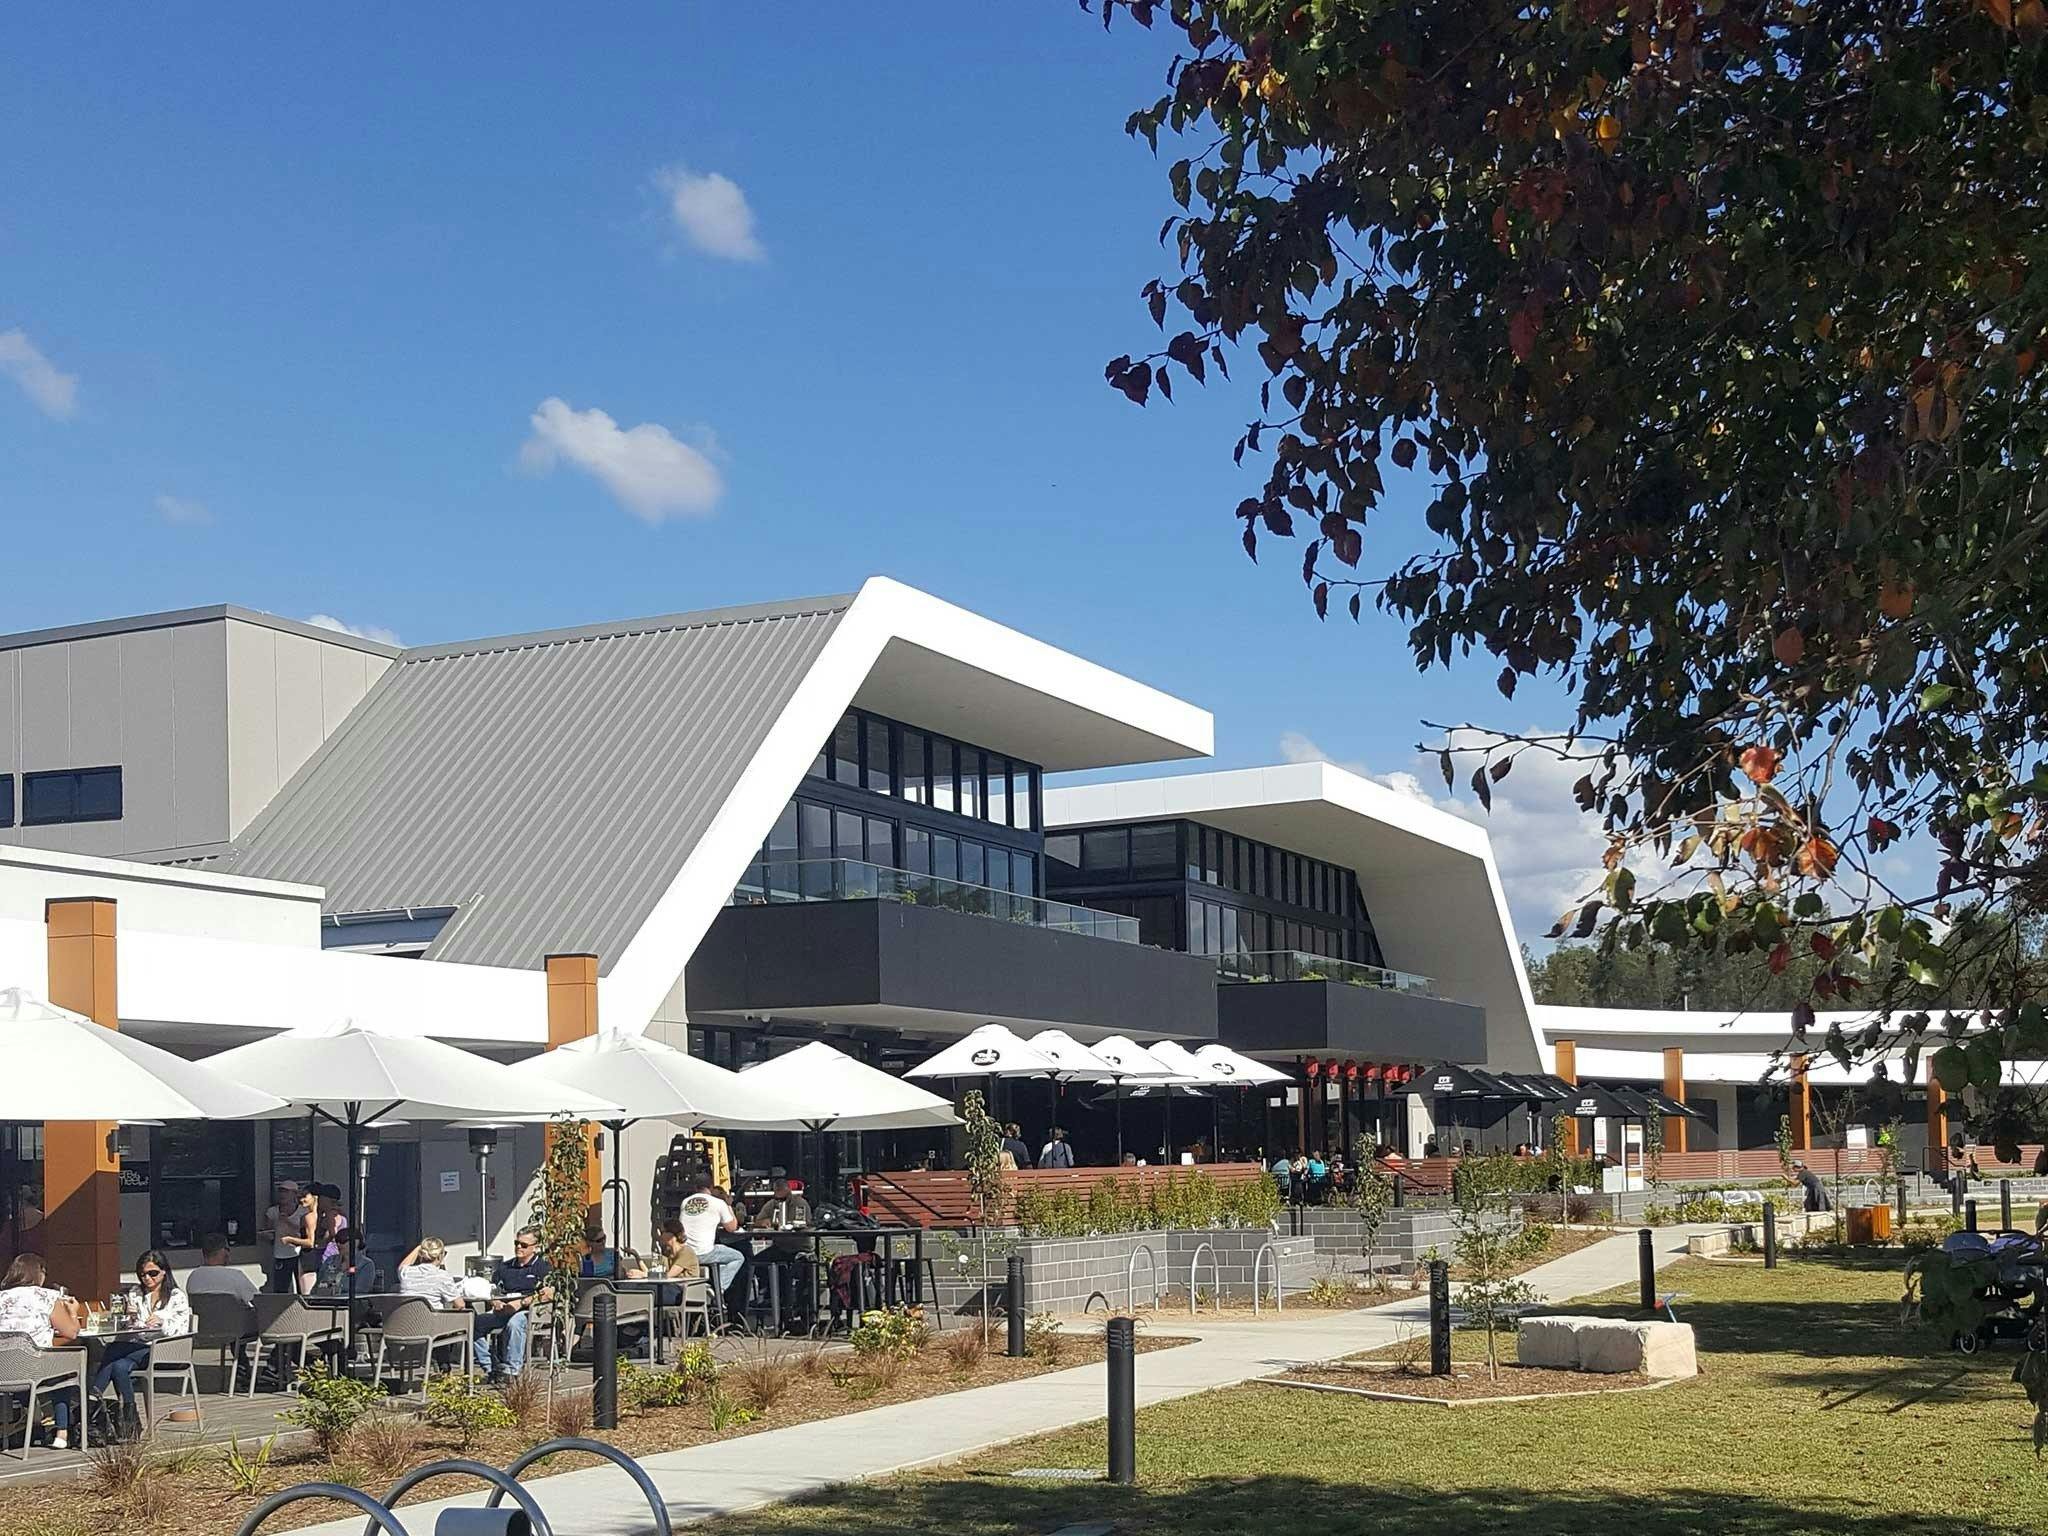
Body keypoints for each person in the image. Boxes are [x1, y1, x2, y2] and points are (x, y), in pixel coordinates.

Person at [95, 1249, 192, 1440]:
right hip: (139, 1347)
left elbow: (181, 1330)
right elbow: (133, 1331)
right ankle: (131, 1424)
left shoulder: (176, 1296)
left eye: (152, 1273)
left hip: (166, 1350)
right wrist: (129, 1318)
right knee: (119, 1365)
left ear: (164, 1272)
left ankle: (93, 1397)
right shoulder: (136, 1293)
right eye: (142, 1274)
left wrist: (162, 1322)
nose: (147, 1278)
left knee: (114, 1349)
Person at [0, 1253, 84, 1448]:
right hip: (36, 1369)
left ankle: (33, 1422)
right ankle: (62, 1432)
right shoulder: (47, 1297)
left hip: (5, 1371)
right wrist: (73, 1313)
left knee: (22, 1363)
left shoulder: (1, 1297)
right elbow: (71, 1333)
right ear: (39, 1273)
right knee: (64, 1371)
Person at [473, 1226, 550, 1381]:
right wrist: (495, 1301)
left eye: (524, 1245)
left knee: (515, 1323)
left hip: (531, 1311)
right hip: (504, 1309)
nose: (519, 1247)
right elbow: (493, 1288)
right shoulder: (505, 1266)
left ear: (535, 1247)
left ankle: (512, 1370)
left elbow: (548, 1294)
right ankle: (490, 1367)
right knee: (476, 1322)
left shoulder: (543, 1267)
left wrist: (521, 1303)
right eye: (516, 1243)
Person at [679, 1186, 748, 1313]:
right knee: (738, 1257)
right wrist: (728, 1205)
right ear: (710, 1188)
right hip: (705, 1252)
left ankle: (714, 1284)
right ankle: (718, 1289)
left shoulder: (685, 1202)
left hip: (686, 1253)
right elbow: (732, 1227)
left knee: (721, 1258)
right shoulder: (718, 1203)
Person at [184, 1233, 259, 1305]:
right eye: (228, 1249)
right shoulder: (235, 1276)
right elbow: (258, 1301)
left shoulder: (193, 1277)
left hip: (205, 1314)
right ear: (224, 1251)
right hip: (233, 1314)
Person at [396, 1237, 466, 1308]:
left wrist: (418, 1247)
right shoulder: (442, 1276)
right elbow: (460, 1305)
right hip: (431, 1315)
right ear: (440, 1256)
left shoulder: (406, 1273)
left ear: (421, 1254)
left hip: (407, 1315)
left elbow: (402, 1266)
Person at [313, 1227, 380, 1298]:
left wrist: (335, 1290)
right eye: (337, 1240)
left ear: (356, 1242)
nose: (338, 1244)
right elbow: (316, 1287)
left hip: (350, 1303)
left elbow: (360, 1290)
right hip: (324, 1302)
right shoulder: (330, 1261)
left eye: (342, 1241)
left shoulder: (366, 1264)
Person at [261, 1182, 303, 1294]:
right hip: (280, 1254)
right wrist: (267, 1235)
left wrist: (287, 1221)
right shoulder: (272, 1212)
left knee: (302, 1287)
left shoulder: (303, 1212)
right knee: (281, 1287)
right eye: (281, 1191)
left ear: (295, 1194)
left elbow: (306, 1232)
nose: (282, 1195)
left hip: (300, 1254)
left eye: (286, 1191)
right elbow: (269, 1230)